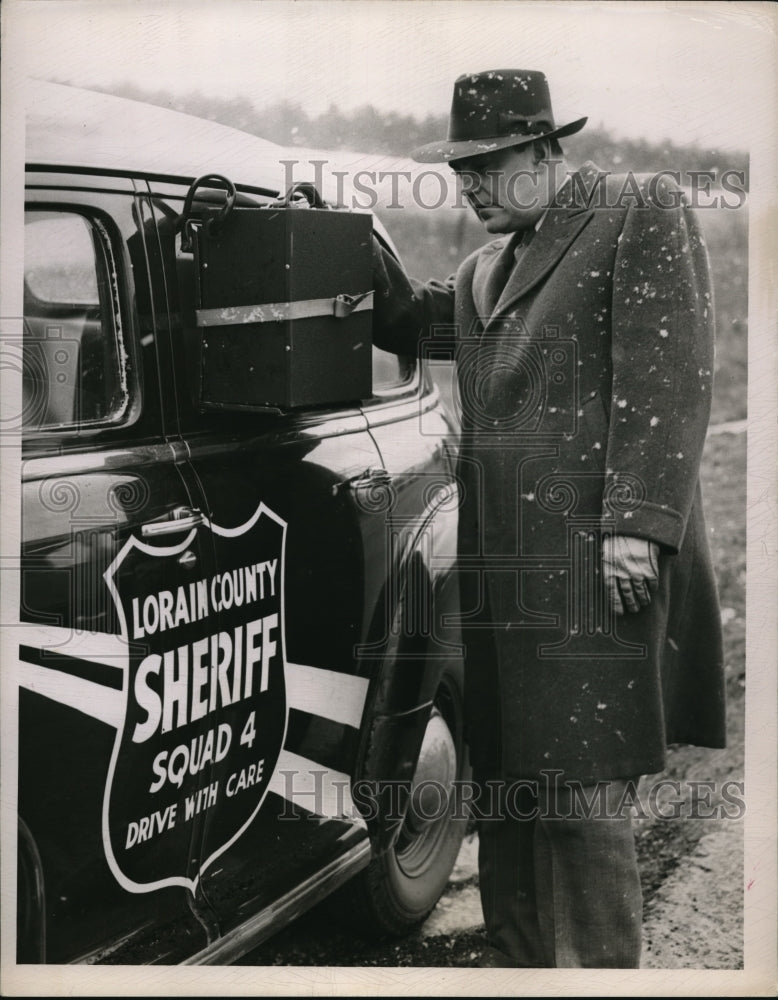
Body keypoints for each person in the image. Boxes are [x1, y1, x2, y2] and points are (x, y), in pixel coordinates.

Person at [370, 69, 726, 968]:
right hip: (509, 576)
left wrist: (635, 526)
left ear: (543, 148)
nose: (471, 186)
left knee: (580, 791)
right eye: (460, 170)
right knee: (511, 789)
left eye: (488, 165)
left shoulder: (637, 209)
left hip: (595, 560)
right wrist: (345, 249)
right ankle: (523, 969)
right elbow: (416, 325)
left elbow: (668, 375)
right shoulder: (482, 268)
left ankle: (603, 974)